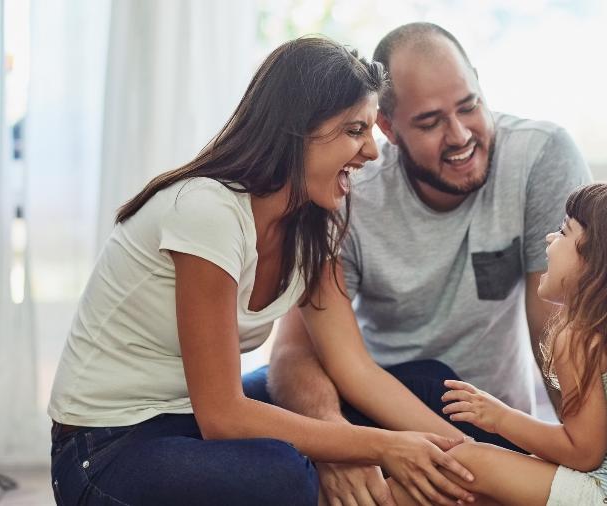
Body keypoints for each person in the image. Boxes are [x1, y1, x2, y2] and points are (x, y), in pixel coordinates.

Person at [47, 36, 478, 506]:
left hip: (192, 418)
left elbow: (353, 368)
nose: (372, 152)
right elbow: (224, 416)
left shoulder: (313, 224)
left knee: (428, 384)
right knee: (283, 478)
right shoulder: (206, 210)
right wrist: (380, 446)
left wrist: (465, 456)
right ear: (298, 130)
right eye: (356, 130)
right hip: (110, 445)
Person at [263, 22, 592, 504]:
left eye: (469, 106)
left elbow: (564, 332)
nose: (460, 135)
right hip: (374, 404)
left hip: (492, 424)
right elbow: (294, 351)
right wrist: (338, 446)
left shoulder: (540, 157)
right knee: (240, 422)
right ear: (388, 128)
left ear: (480, 84)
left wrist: (588, 457)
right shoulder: (348, 190)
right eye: (430, 121)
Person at [386, 183, 607, 506]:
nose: (549, 239)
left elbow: (582, 453)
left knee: (470, 461)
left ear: (597, 263)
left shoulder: (581, 338)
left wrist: (500, 418)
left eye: (563, 231)